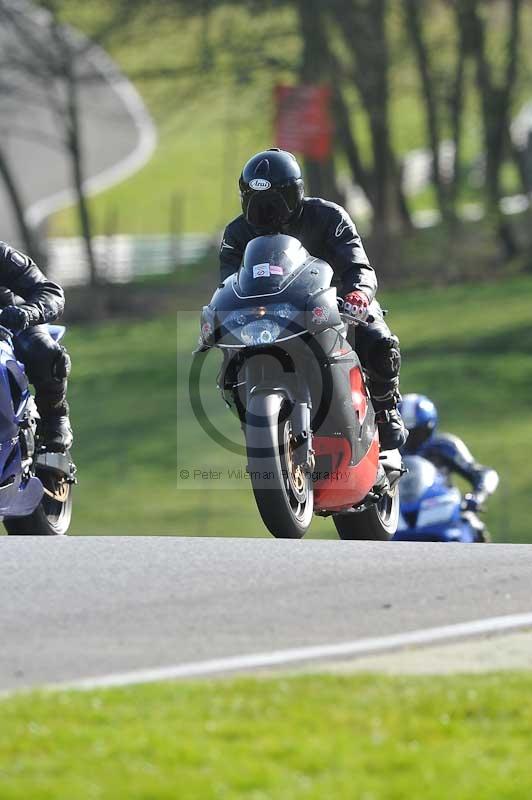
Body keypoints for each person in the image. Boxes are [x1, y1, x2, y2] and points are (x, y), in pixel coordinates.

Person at [219, 148, 407, 450]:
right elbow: (227, 282)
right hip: (264, 318)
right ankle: (254, 423)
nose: (267, 211)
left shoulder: (328, 216)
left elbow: (358, 264)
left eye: (275, 201)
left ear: (296, 193)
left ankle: (386, 408)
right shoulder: (236, 234)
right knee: (228, 361)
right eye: (256, 203)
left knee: (378, 339)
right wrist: (217, 314)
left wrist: (357, 293)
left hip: (330, 308)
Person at [0, 241, 72, 452]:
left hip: (8, 325)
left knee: (43, 351)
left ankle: (54, 418)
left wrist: (29, 312)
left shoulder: (2, 255)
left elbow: (49, 290)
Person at [400, 393, 499, 523]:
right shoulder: (388, 453)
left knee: (472, 524)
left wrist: (477, 496)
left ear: (430, 427)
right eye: (405, 433)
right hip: (399, 515)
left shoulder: (444, 446)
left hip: (443, 511)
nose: (411, 439)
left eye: (417, 433)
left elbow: (480, 472)